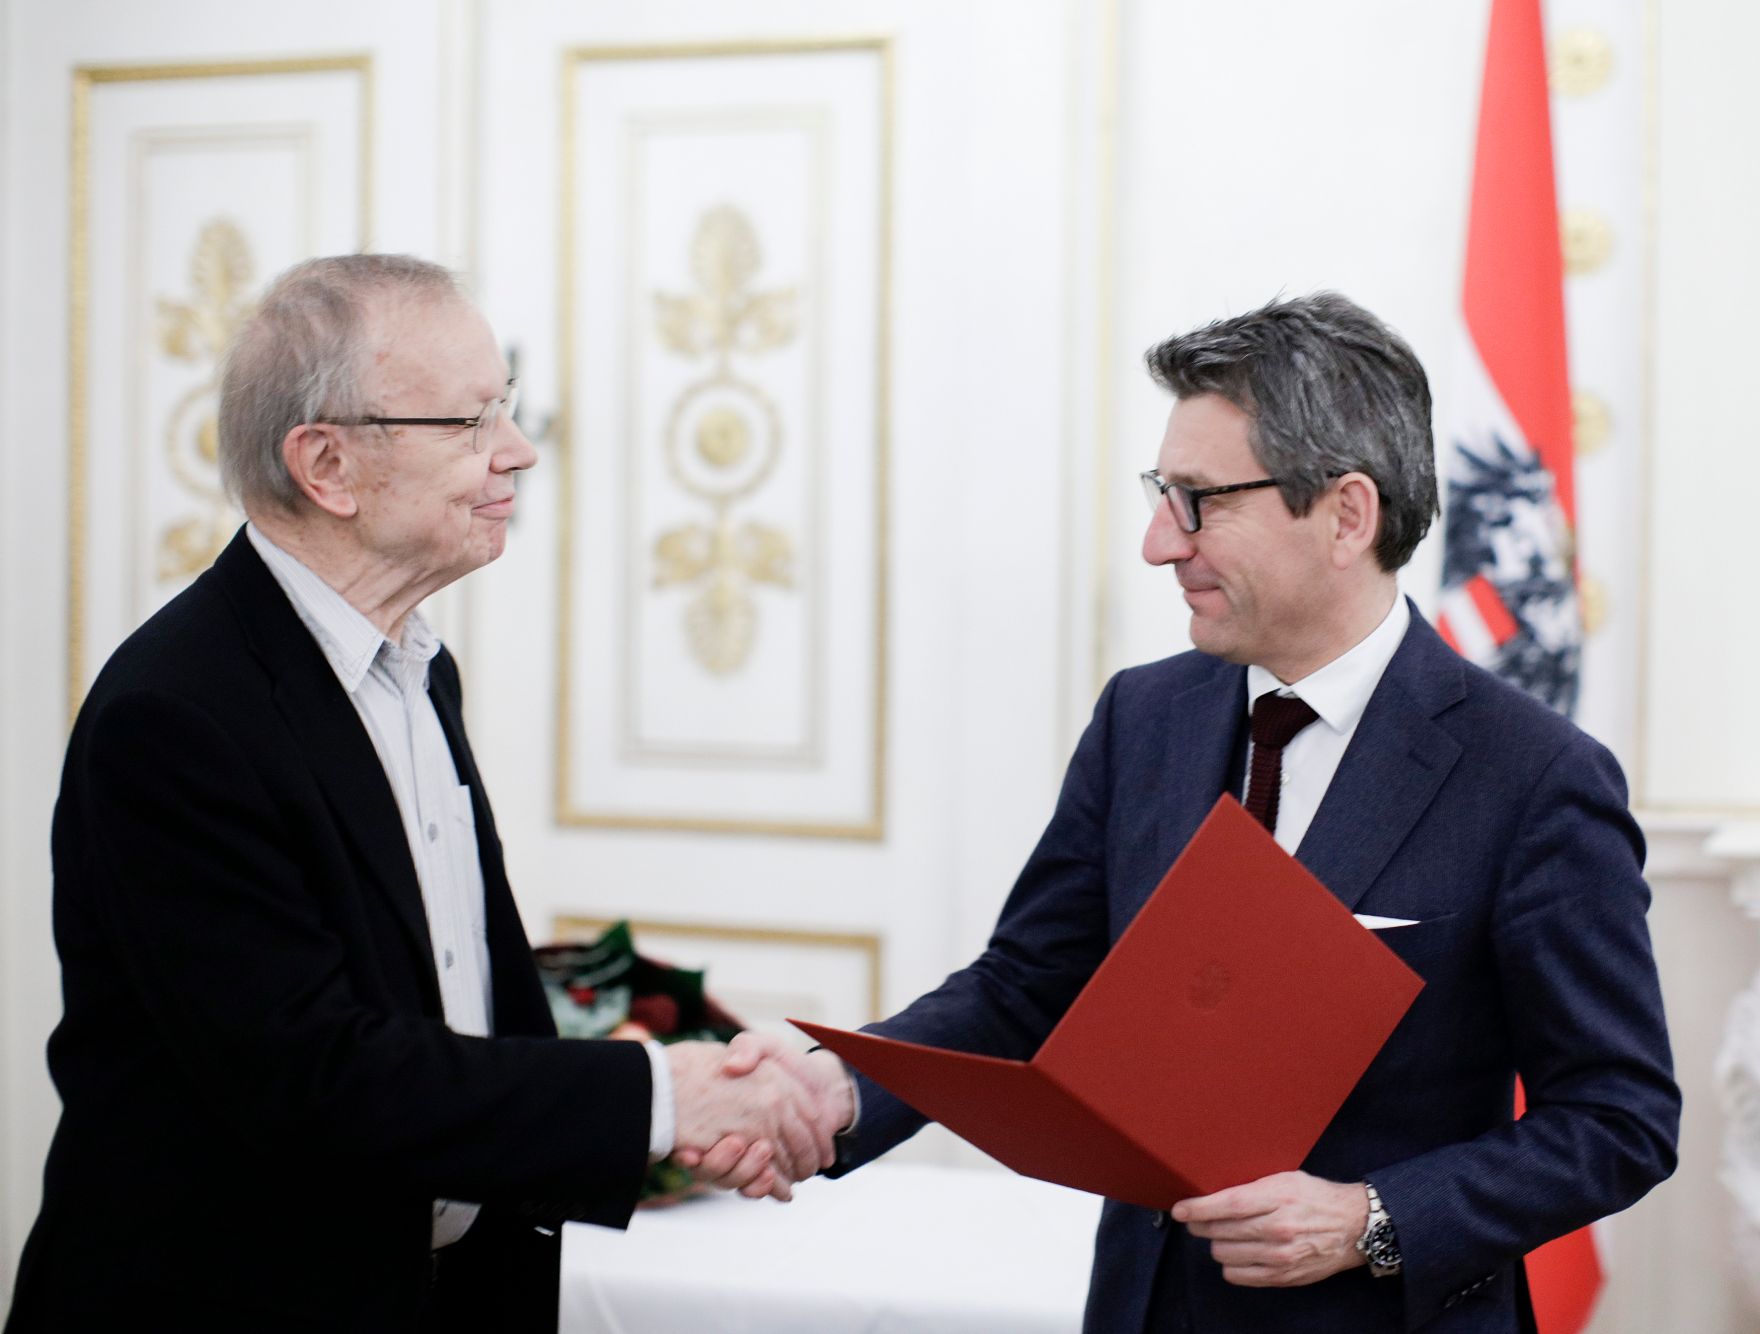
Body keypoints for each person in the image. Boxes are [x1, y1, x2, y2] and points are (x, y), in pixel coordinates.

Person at [707, 293, 1680, 1332]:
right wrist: (841, 1086)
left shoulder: (1532, 776)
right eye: (1159, 493)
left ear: (1345, 513)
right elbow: (1030, 983)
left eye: (1198, 500)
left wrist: (1372, 1218)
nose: (1156, 543)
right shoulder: (1144, 715)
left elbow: (1617, 1116)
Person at [6, 254, 845, 1334]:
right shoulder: (175, 716)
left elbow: (470, 998)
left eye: (506, 406)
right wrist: (668, 1097)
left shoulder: (412, 663)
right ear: (328, 464)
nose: (517, 450)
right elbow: (318, 1076)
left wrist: (660, 1117)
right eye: (468, 420)